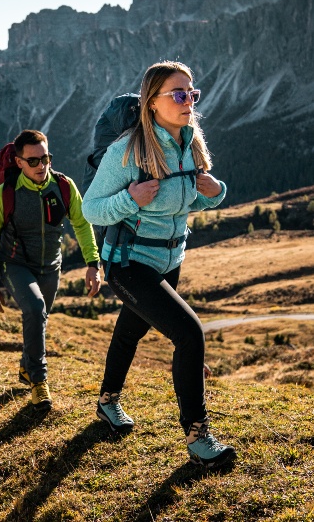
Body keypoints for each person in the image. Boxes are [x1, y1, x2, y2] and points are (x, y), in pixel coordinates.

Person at [82, 61, 236, 468]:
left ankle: (106, 402)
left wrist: (216, 191)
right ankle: (199, 436)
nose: (190, 101)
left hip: (171, 260)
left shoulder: (190, 143)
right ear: (152, 103)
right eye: (179, 94)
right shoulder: (128, 150)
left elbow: (196, 199)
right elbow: (91, 209)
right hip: (128, 262)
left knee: (131, 328)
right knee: (189, 333)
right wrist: (130, 199)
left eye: (192, 93)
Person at [0, 129, 101, 411]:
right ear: (19, 162)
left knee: (38, 319)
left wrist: (93, 264)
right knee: (34, 310)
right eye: (33, 161)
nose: (41, 166)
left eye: (45, 158)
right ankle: (38, 381)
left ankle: (26, 366)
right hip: (17, 265)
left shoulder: (63, 187)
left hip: (51, 267)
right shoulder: (5, 194)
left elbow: (82, 225)